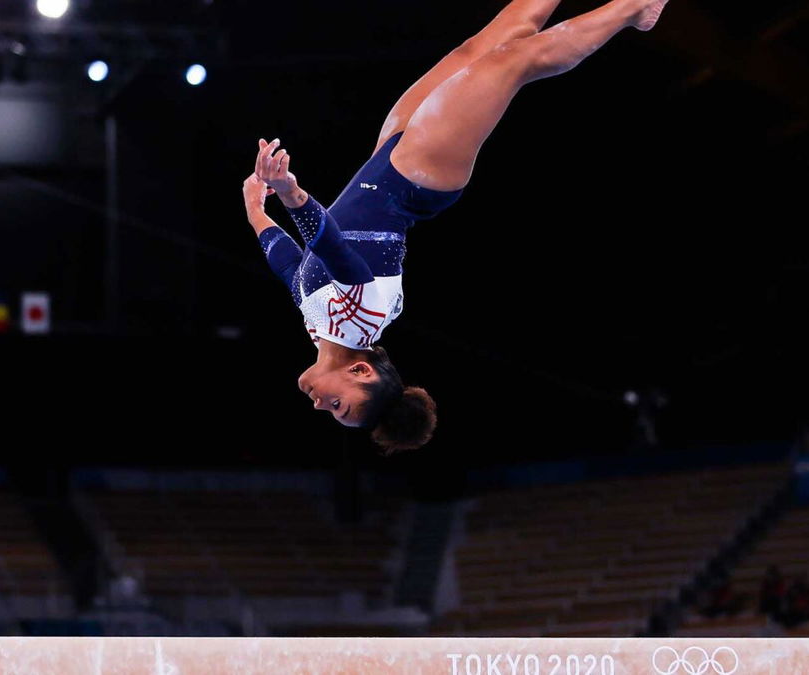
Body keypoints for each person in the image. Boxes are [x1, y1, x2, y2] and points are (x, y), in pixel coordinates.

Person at [242, 0, 672, 454]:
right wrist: (290, 193)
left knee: (480, 50)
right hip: (417, 178)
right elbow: (332, 250)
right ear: (361, 373)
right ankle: (634, 7)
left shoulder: (322, 329)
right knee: (513, 62)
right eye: (340, 407)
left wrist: (256, 209)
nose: (320, 406)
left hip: (387, 162)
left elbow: (293, 270)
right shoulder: (360, 322)